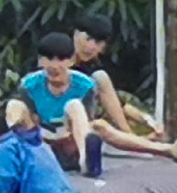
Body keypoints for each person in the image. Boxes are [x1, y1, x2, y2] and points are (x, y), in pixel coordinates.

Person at [20, 31, 177, 175]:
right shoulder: (30, 84)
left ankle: (166, 149)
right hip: (44, 143)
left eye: (60, 60)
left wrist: (148, 121)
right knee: (18, 108)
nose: (54, 65)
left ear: (69, 60)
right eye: (49, 59)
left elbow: (120, 105)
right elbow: (30, 124)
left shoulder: (85, 83)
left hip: (74, 140)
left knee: (86, 114)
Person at [71, 10, 168, 142]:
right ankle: (131, 139)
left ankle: (133, 138)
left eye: (98, 43)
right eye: (88, 39)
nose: (91, 47)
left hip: (86, 118)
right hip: (61, 116)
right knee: (101, 77)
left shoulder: (88, 67)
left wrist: (150, 122)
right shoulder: (58, 57)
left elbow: (118, 104)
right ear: (76, 34)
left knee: (115, 94)